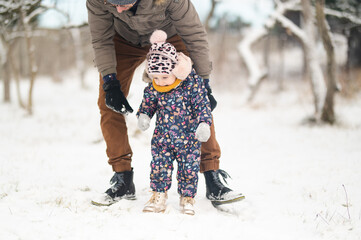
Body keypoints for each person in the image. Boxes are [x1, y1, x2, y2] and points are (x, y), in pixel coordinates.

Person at [87, 0, 244, 207]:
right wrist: (109, 82)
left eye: (123, 3)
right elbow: (101, 39)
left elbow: (194, 34)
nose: (117, 9)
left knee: (197, 99)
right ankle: (122, 178)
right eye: (112, 3)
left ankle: (213, 176)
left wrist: (204, 82)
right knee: (108, 105)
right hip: (122, 40)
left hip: (169, 36)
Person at [137, 30, 212, 215]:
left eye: (164, 77)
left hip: (189, 139)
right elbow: (148, 103)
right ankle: (158, 195)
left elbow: (202, 104)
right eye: (155, 77)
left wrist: (204, 123)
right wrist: (144, 115)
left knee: (189, 168)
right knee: (159, 166)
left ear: (176, 70)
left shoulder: (191, 84)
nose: (160, 82)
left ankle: (187, 198)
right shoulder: (154, 86)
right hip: (162, 138)